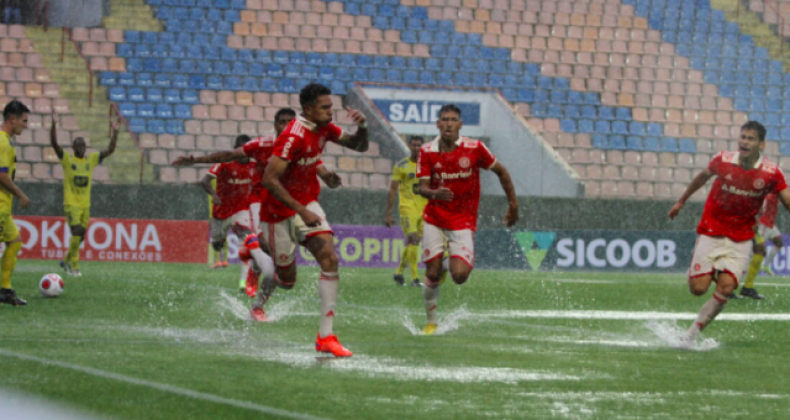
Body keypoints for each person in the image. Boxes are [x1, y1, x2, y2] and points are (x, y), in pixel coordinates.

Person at [261, 83, 368, 357]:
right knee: (287, 280)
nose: (331, 113)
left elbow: (358, 146)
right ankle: (258, 245)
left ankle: (326, 337)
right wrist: (301, 210)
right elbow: (269, 179)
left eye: (331, 107)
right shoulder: (291, 136)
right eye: (325, 107)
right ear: (308, 109)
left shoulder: (325, 128)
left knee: (329, 258)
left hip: (307, 202)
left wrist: (363, 127)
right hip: (278, 211)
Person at [668, 121, 790, 346]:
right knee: (698, 290)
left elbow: (786, 198)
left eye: (751, 138)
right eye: (743, 137)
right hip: (712, 229)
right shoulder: (722, 160)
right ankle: (711, 270)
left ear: (762, 144)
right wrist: (681, 202)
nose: (744, 142)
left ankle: (690, 336)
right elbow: (702, 178)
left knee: (727, 288)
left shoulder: (772, 173)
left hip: (742, 236)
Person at [416, 104, 519, 335]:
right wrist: (434, 193)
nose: (449, 124)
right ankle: (431, 322)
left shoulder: (475, 148)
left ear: (461, 124)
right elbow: (421, 188)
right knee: (431, 274)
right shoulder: (427, 151)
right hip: (434, 218)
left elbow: (501, 171)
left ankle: (444, 265)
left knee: (460, 276)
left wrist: (513, 204)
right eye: (444, 119)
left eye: (453, 119)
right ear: (438, 124)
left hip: (462, 220)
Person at [51, 110, 119, 276]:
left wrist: (115, 132)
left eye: (83, 146)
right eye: (78, 146)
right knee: (77, 231)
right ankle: (74, 267)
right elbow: (55, 145)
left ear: (86, 148)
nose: (81, 148)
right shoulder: (68, 160)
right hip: (71, 204)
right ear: (73, 148)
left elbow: (110, 150)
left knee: (81, 236)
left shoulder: (91, 160)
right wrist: (53, 125)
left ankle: (65, 261)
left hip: (85, 205)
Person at [200, 135, 255, 291]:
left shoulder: (255, 164)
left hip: (241, 211)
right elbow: (205, 181)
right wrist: (214, 195)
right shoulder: (225, 162)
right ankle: (219, 247)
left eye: (246, 149)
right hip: (221, 212)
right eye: (240, 148)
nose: (243, 152)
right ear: (234, 148)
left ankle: (244, 283)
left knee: (249, 244)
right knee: (217, 244)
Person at [385, 136, 427, 287]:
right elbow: (393, 189)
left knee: (413, 243)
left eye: (419, 145)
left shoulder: (428, 165)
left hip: (424, 209)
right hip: (407, 208)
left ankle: (398, 273)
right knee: (413, 239)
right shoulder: (401, 166)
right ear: (409, 146)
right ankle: (415, 279)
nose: (416, 148)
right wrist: (388, 213)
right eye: (414, 145)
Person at [0, 100, 31, 306]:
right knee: (13, 241)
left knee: (15, 241)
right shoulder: (3, 142)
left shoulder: (6, 141)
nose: (26, 125)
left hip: (3, 207)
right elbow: (1, 175)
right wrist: (21, 194)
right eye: (24, 121)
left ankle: (5, 289)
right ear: (13, 119)